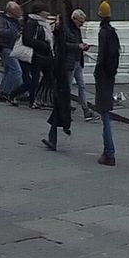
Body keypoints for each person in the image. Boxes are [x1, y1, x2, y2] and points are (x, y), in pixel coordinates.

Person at [44, 9, 82, 151]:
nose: (56, 23)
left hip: (61, 74)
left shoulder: (60, 37)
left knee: (59, 105)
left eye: (58, 21)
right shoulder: (59, 37)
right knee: (59, 105)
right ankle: (61, 129)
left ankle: (59, 132)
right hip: (60, 74)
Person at [93, 2, 120, 165]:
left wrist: (97, 72)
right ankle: (108, 151)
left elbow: (101, 56)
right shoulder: (113, 32)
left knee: (105, 115)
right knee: (106, 112)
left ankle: (109, 152)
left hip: (103, 76)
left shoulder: (103, 32)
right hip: (110, 76)